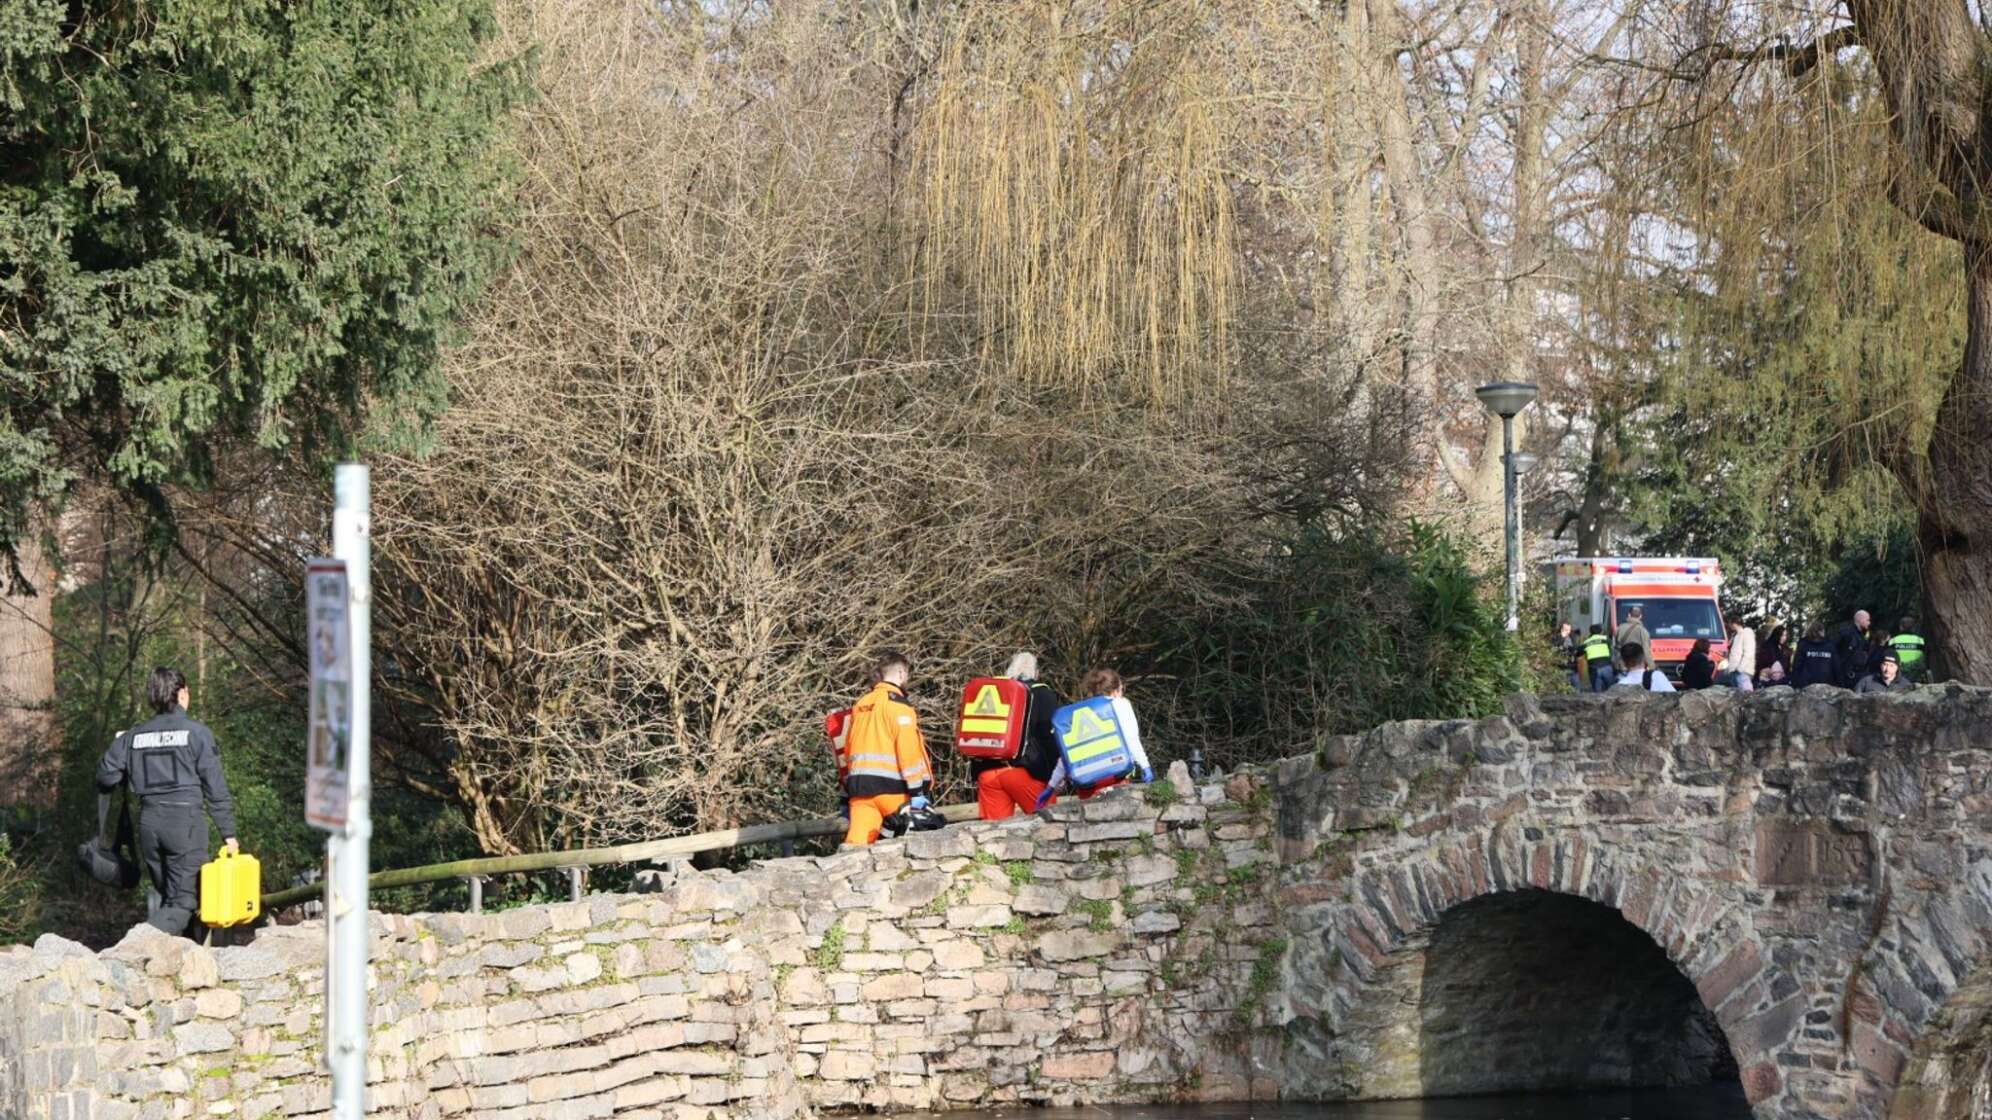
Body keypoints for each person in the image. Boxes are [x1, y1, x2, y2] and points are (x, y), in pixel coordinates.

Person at [94, 667, 239, 937]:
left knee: (170, 898)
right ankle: (136, 945)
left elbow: (105, 776)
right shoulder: (197, 734)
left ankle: (184, 963)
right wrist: (228, 833)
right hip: (185, 825)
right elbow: (215, 788)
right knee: (184, 902)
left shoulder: (134, 736)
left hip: (149, 825)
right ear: (182, 693)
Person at [840, 651, 934, 846]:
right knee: (911, 846)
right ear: (900, 673)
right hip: (895, 791)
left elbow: (848, 747)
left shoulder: (861, 704)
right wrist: (917, 792)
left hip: (861, 791)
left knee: (856, 848)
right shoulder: (898, 706)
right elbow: (908, 751)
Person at [1036, 668, 1154, 804]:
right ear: (1116, 690)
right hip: (1116, 779)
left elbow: (1067, 757)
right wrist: (1145, 766)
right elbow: (1131, 740)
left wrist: (1051, 786)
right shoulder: (1119, 704)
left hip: (1086, 786)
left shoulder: (1075, 715)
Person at [974, 652, 1066, 821]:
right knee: (1049, 828)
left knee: (992, 838)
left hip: (987, 773)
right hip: (1026, 773)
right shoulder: (1043, 694)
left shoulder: (995, 691)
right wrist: (1056, 777)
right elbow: (1049, 739)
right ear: (1036, 673)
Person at [1610, 642, 1676, 693]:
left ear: (1624, 663)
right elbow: (1674, 698)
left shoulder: (1620, 685)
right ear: (1644, 659)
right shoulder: (1656, 676)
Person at [1834, 609, 1874, 689]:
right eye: (1867, 620)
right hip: (1846, 677)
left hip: (1859, 676)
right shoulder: (1846, 634)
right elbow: (1835, 652)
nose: (1869, 623)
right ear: (1861, 619)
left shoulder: (1863, 636)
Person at [1791, 622, 1838, 688]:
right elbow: (1836, 666)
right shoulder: (1830, 646)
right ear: (1821, 631)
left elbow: (1797, 666)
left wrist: (1794, 684)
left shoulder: (1803, 645)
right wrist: (1840, 683)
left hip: (1806, 686)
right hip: (1826, 686)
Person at [1612, 607, 1650, 674]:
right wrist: (1651, 666)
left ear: (1629, 615)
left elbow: (1614, 645)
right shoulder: (1643, 631)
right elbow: (1646, 650)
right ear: (1641, 616)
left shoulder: (1619, 628)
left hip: (1621, 665)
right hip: (1636, 667)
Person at [1580, 624, 1615, 692]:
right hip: (1606, 667)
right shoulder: (1605, 639)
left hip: (1594, 669)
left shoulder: (1586, 642)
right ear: (1601, 631)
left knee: (1597, 694)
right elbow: (1611, 649)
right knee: (1611, 691)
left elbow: (1579, 653)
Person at [1726, 619, 1757, 686]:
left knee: (1745, 692)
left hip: (1742, 671)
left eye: (1729, 624)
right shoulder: (1735, 636)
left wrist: (1740, 669)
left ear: (1734, 624)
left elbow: (1748, 653)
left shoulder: (1746, 634)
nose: (1729, 626)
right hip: (1734, 670)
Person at [1554, 622, 1582, 690]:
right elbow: (1553, 650)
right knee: (1563, 692)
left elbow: (1576, 650)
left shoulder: (1573, 638)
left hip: (1573, 670)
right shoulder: (1556, 638)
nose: (1567, 632)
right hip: (1562, 670)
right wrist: (1561, 637)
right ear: (1561, 630)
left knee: (1577, 692)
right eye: (1565, 629)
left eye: (1569, 630)